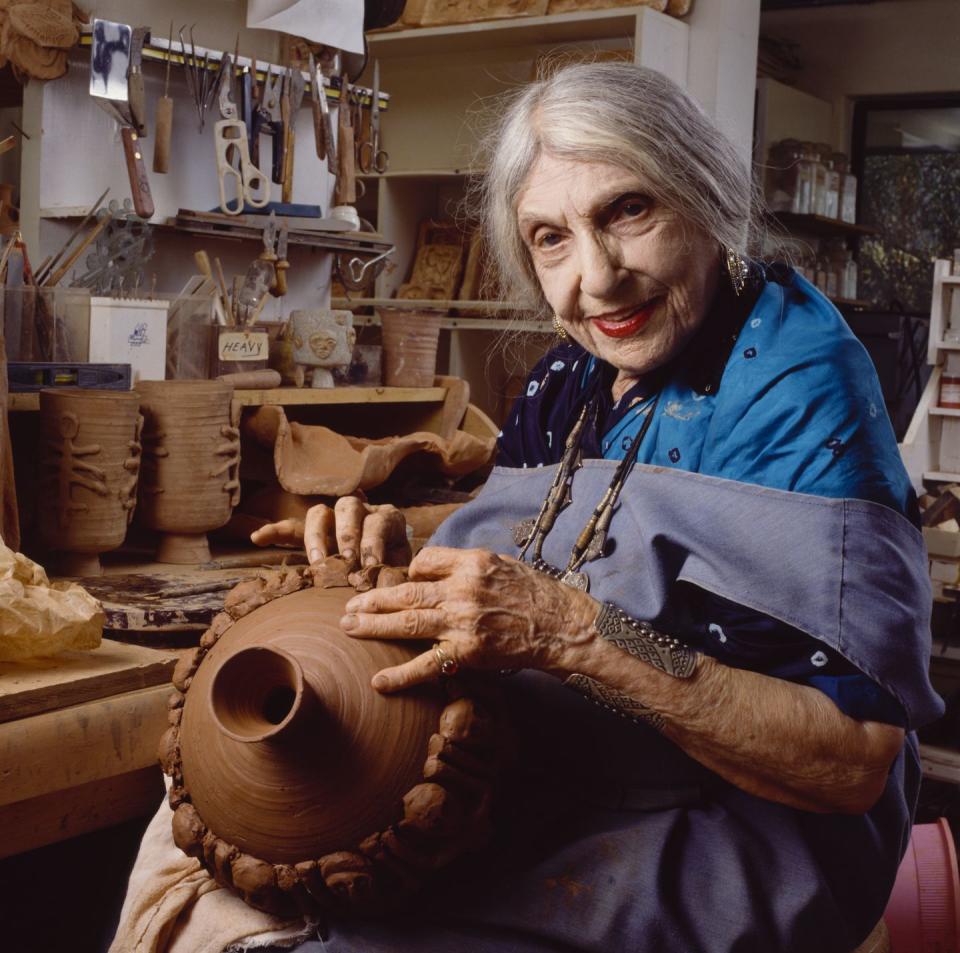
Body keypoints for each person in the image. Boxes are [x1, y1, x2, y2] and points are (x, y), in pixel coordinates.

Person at [249, 62, 943, 953]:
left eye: (628, 211)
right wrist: (404, 551)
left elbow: (851, 761)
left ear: (707, 193)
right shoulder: (569, 377)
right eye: (550, 238)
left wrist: (573, 633)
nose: (599, 278)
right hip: (570, 791)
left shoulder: (800, 379)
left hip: (735, 840)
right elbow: (550, 548)